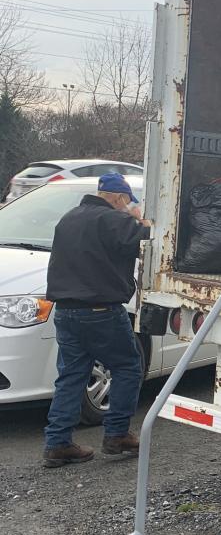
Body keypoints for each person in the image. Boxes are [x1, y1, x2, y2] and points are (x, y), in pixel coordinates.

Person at [41, 172, 151, 467]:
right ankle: (117, 435)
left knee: (71, 376)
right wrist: (140, 220)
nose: (127, 207)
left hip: (65, 311)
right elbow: (147, 242)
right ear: (119, 198)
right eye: (127, 202)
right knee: (128, 366)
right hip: (101, 310)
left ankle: (57, 443)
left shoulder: (69, 218)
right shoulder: (114, 220)